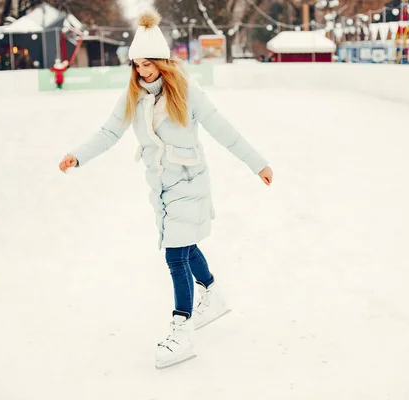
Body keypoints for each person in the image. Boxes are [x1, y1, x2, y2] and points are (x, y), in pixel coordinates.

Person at [58, 9, 273, 369]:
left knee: (175, 254)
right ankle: (212, 293)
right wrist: (76, 156)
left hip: (190, 182)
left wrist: (257, 163)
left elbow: (223, 128)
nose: (142, 72)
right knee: (185, 248)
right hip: (160, 189)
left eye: (147, 64)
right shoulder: (133, 96)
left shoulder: (187, 91)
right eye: (136, 65)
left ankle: (182, 329)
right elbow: (109, 132)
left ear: (162, 61)